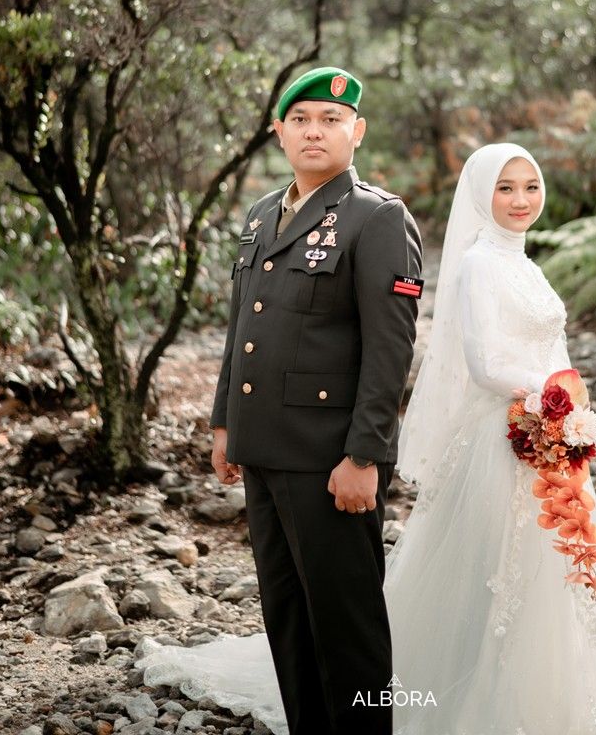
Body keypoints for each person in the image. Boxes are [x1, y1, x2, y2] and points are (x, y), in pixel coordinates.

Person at [139, 142, 596, 735]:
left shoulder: (526, 265)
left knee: (543, 575)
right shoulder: (477, 263)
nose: (520, 199)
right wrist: (553, 395)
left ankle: (537, 704)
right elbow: (483, 363)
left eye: (530, 186)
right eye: (505, 187)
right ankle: (461, 703)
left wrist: (566, 414)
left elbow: (542, 347)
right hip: (501, 435)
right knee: (485, 577)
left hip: (542, 433)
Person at [142, 66, 423, 735]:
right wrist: (224, 423)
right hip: (264, 447)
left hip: (330, 458)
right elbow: (243, 326)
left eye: (330, 119)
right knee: (288, 622)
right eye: (300, 120)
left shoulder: (377, 218)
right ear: (278, 132)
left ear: (356, 131)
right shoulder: (262, 212)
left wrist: (365, 455)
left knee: (348, 630)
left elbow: (389, 350)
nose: (314, 131)